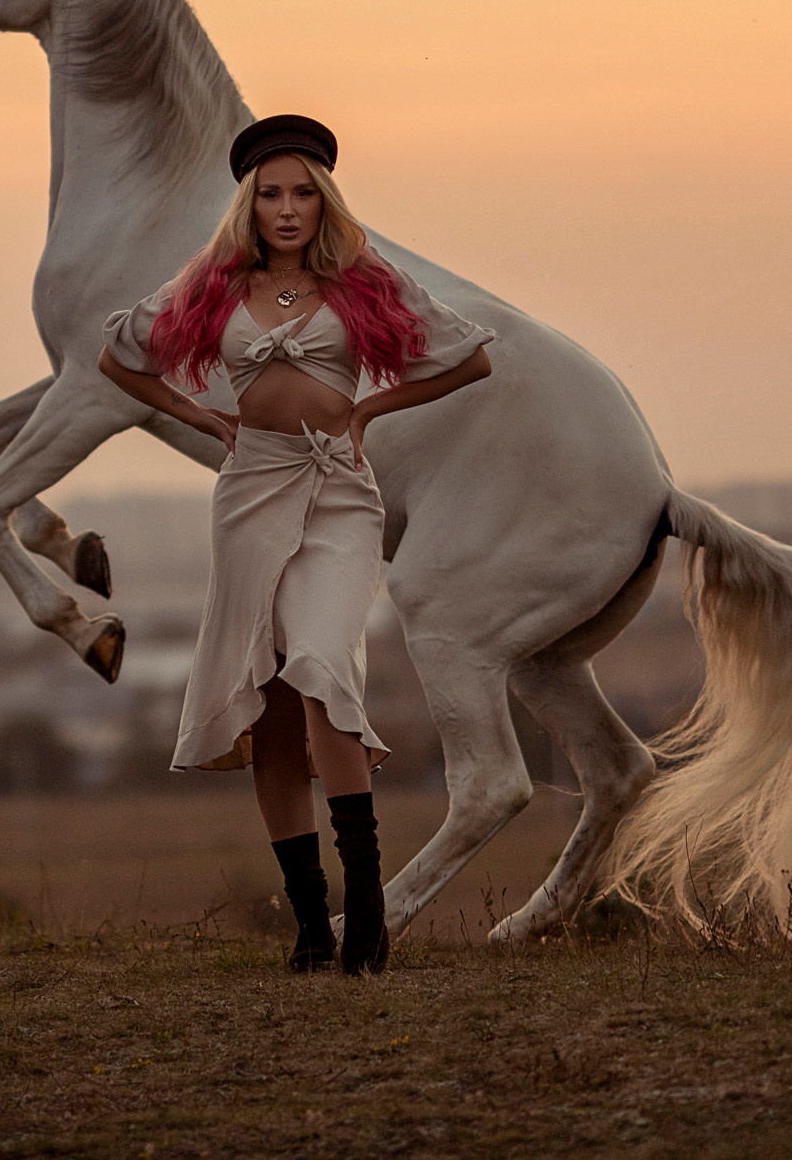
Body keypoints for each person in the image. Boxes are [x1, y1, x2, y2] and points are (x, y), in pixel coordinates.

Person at [98, 114, 495, 974]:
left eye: (302, 192)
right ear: (249, 203)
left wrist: (367, 410)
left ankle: (368, 915)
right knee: (270, 702)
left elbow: (467, 358)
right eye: (271, 194)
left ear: (325, 199)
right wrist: (200, 414)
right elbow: (120, 357)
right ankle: (312, 922)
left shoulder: (362, 283)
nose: (287, 208)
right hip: (247, 494)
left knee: (319, 664)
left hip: (339, 494)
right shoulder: (211, 284)